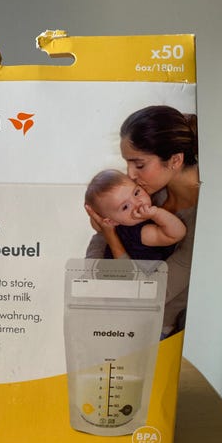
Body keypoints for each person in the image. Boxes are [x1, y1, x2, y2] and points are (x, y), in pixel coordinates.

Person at [85, 105, 200, 336]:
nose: (130, 174)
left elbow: (147, 294)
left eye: (139, 165)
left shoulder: (205, 218)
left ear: (175, 160)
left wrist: (111, 238)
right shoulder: (146, 193)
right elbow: (94, 259)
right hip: (119, 320)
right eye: (127, 163)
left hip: (162, 333)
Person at [85, 168, 186, 261]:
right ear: (110, 221)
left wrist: (92, 212)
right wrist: (156, 213)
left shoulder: (117, 221)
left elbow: (98, 223)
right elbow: (177, 233)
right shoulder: (140, 232)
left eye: (136, 193)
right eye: (125, 207)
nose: (138, 203)